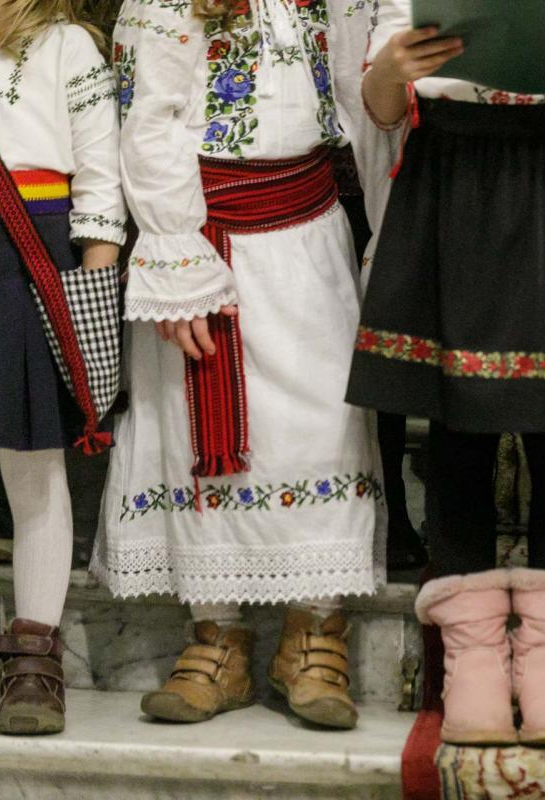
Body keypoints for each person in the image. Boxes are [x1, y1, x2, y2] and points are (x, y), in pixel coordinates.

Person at [341, 0, 545, 747]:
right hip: (456, 176)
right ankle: (472, 664)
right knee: (458, 422)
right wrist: (395, 67)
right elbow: (381, 104)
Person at [94, 0, 385, 729]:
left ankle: (314, 632)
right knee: (193, 437)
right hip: (206, 238)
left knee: (326, 423)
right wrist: (177, 255)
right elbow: (147, 123)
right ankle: (217, 634)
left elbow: (364, 102)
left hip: (312, 233)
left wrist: (390, 225)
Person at [0, 0, 124, 734]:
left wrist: (93, 282)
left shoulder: (67, 46)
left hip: (34, 258)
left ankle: (34, 660)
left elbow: (99, 173)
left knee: (34, 466)